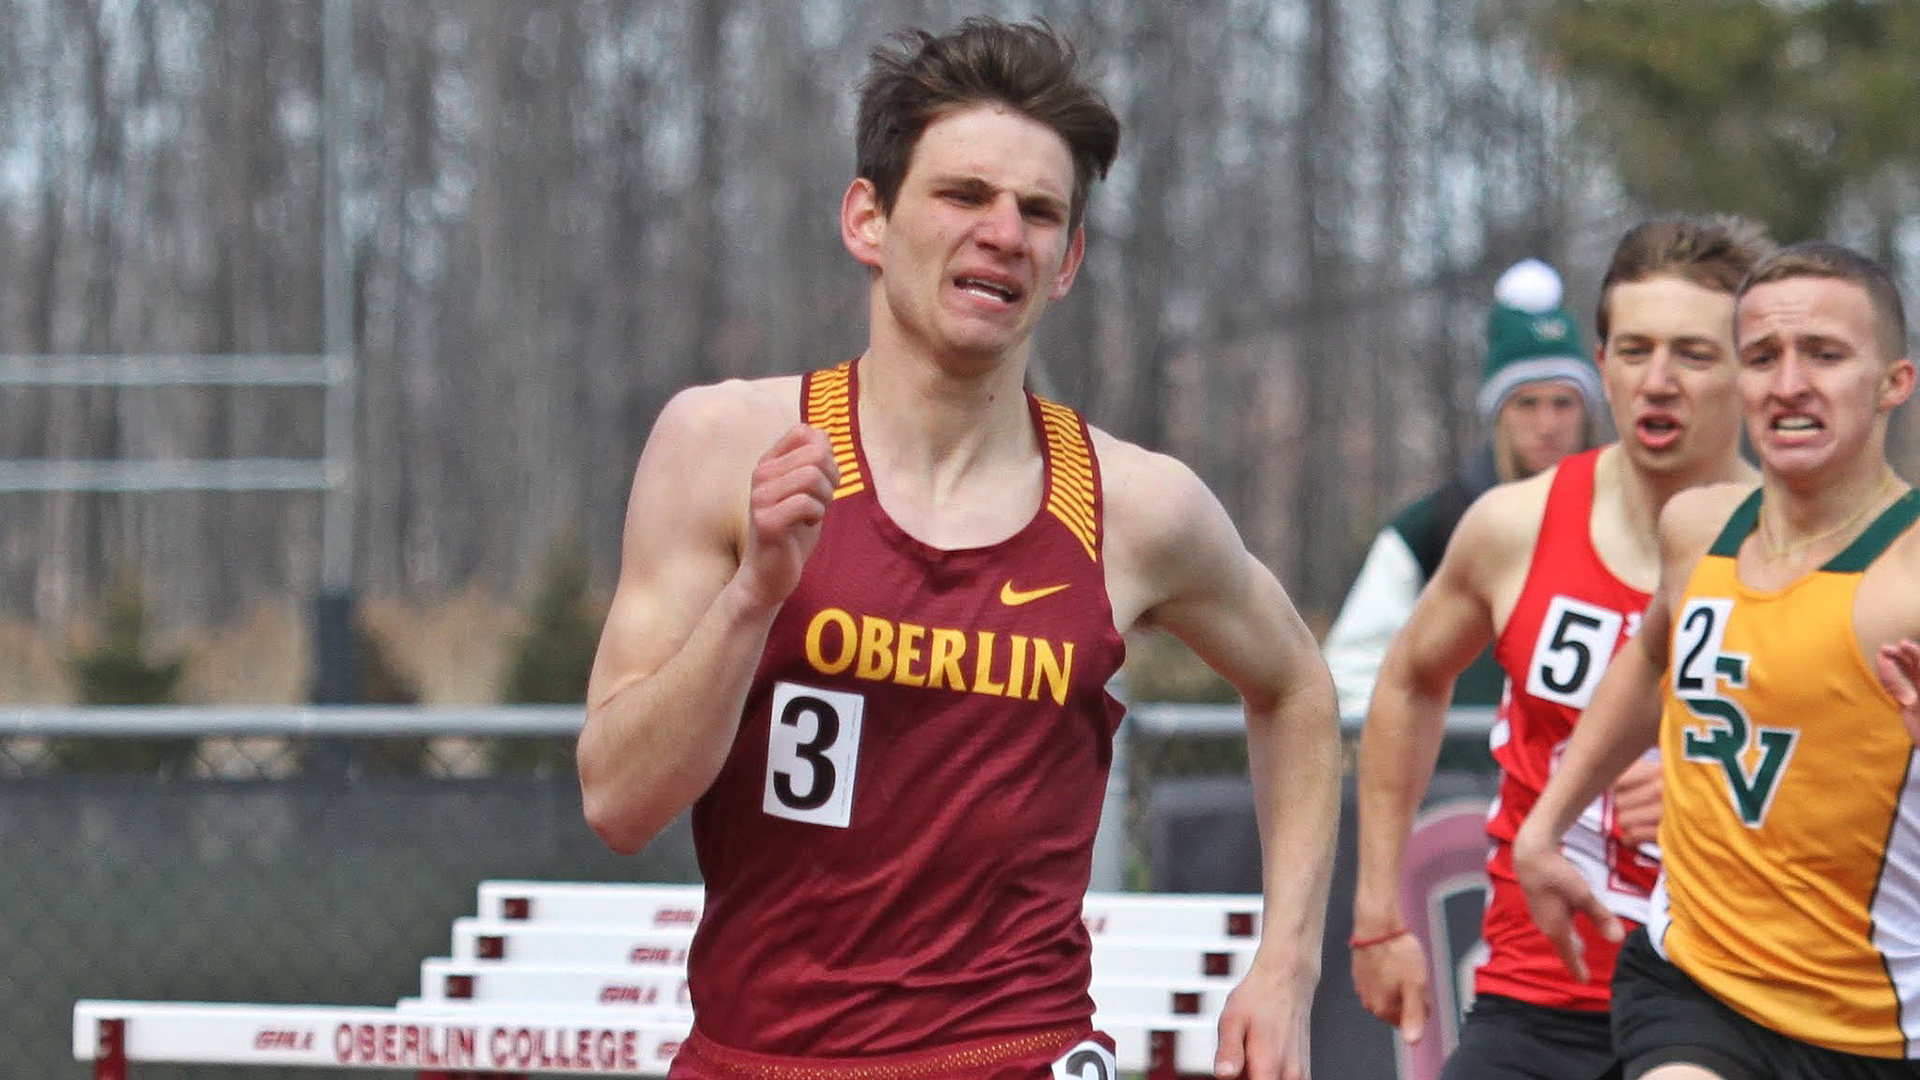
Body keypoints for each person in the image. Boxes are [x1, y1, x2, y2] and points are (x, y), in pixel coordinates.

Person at [575, 18, 1341, 1080]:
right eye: (963, 195)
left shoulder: (1134, 506)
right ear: (868, 219)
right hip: (760, 1057)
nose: (1002, 233)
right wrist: (754, 597)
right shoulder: (724, 447)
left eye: (1038, 212)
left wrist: (1288, 964)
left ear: (1067, 260)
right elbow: (618, 802)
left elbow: (1297, 685)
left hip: (1018, 1050)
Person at [1350, 216, 1774, 1079]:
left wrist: (1715, 783)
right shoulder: (1514, 525)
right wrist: (1377, 910)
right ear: (1602, 361)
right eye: (1633, 349)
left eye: (1693, 354)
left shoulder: (1804, 550)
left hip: (1736, 997)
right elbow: (1407, 682)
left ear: (1751, 367)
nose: (1658, 382)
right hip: (1540, 993)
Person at [1514, 240, 1920, 1078]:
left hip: (1878, 1023)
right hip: (1697, 985)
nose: (1789, 383)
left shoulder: (1909, 576)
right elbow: (1650, 656)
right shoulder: (1697, 530)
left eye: (1825, 355)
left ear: (1894, 384)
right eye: (1763, 357)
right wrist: (1547, 823)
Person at [1323, 258, 1606, 721]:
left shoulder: (1625, 516)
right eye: (1526, 404)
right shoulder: (1435, 524)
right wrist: (1417, 748)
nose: (1547, 424)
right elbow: (1350, 668)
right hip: (1462, 784)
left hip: (1593, 781)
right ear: (1499, 414)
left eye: (1563, 403)